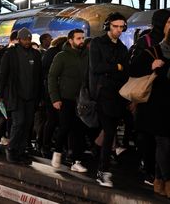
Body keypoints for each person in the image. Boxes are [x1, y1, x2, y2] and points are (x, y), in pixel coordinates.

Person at [129, 9, 170, 186]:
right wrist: (151, 65)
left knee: (163, 142)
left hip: (167, 100)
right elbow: (134, 69)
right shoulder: (147, 43)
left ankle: (159, 179)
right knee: (158, 140)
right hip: (152, 100)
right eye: (168, 21)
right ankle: (160, 177)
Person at [89, 12, 129, 187]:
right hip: (103, 94)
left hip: (118, 95)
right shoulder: (97, 43)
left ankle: (97, 156)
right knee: (109, 131)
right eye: (115, 26)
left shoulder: (122, 47)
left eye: (121, 27)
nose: (119, 30)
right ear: (108, 26)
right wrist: (117, 67)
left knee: (109, 132)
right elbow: (96, 67)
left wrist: (115, 68)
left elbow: (125, 70)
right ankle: (103, 171)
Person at [0, 28, 43, 164]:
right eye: (24, 39)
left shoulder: (35, 54)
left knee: (27, 124)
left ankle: (21, 151)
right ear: (19, 39)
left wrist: (40, 96)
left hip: (31, 96)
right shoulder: (10, 54)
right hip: (16, 95)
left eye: (29, 39)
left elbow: (39, 77)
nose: (27, 42)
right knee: (19, 122)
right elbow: (3, 75)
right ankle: (11, 149)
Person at [48, 29, 88, 173]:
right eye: (78, 38)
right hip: (66, 99)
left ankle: (76, 161)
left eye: (83, 38)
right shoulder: (61, 56)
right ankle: (57, 151)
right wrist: (55, 98)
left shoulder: (86, 56)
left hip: (82, 100)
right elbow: (52, 77)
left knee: (79, 130)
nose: (81, 41)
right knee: (65, 127)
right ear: (70, 40)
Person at [0, 30, 18, 154]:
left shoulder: (24, 54)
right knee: (0, 118)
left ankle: (10, 143)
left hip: (16, 93)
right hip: (2, 92)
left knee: (13, 119)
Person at [40, 36, 67, 156]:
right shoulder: (56, 54)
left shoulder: (51, 53)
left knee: (53, 120)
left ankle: (46, 145)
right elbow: (50, 75)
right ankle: (46, 145)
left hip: (51, 91)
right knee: (52, 120)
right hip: (52, 91)